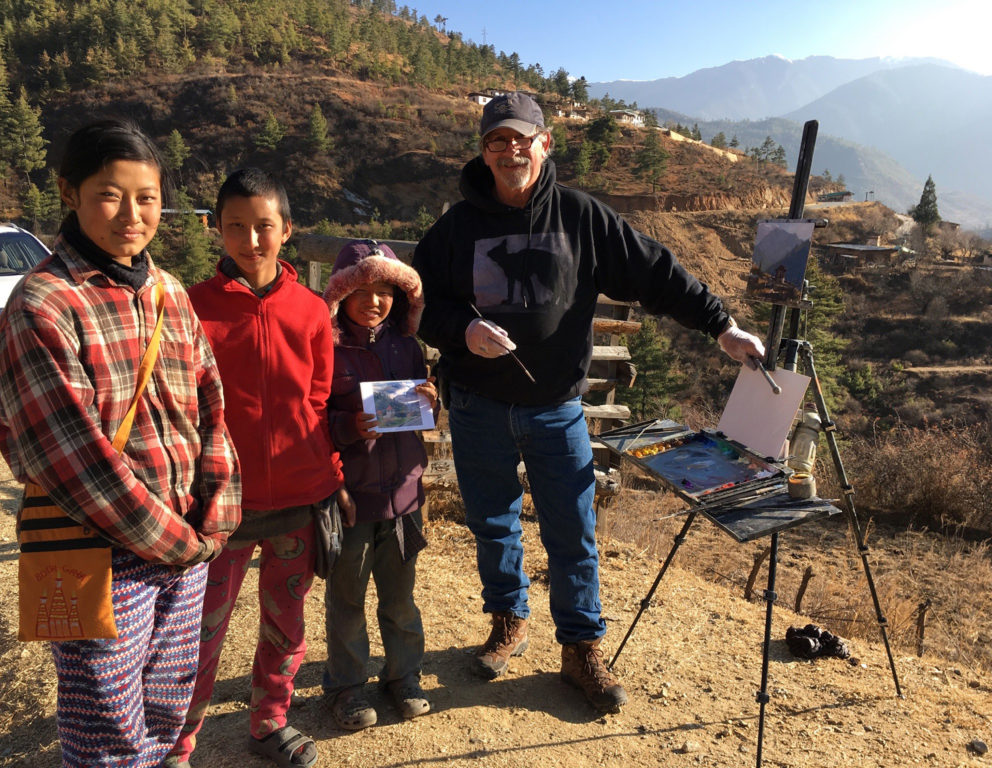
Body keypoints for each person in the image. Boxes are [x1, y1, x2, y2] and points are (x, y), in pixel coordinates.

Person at [412, 92, 766, 714]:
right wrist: (460, 332)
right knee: (492, 523)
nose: (511, 150)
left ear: (545, 144)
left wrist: (723, 327)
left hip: (556, 409)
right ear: (483, 151)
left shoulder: (581, 217)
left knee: (572, 532)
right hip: (476, 407)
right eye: (497, 141)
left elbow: (657, 272)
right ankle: (508, 622)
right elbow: (422, 303)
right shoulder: (455, 228)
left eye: (522, 138)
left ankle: (580, 648)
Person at [0, 118, 242, 767]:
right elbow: (72, 460)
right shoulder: (42, 305)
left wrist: (218, 507)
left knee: (166, 702)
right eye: (110, 194)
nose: (133, 214)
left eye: (148, 196)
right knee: (102, 721)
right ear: (69, 192)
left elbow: (211, 403)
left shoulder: (169, 294)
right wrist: (182, 541)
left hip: (185, 543)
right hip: (88, 549)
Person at [165, 168, 351, 768]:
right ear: (216, 230)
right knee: (199, 631)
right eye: (236, 227)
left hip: (300, 497)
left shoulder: (311, 310)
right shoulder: (192, 308)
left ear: (287, 230)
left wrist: (334, 478)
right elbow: (179, 406)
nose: (251, 240)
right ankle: (177, 741)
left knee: (286, 623)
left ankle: (269, 721)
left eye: (263, 227)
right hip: (219, 505)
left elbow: (319, 401)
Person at [321, 239, 437, 730]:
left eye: (385, 289)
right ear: (342, 294)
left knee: (400, 595)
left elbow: (420, 416)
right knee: (347, 597)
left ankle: (403, 675)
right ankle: (347, 686)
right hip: (354, 497)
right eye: (362, 289)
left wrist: (431, 398)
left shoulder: (407, 348)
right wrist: (350, 427)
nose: (374, 300)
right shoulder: (326, 350)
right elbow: (313, 419)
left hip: (405, 496)